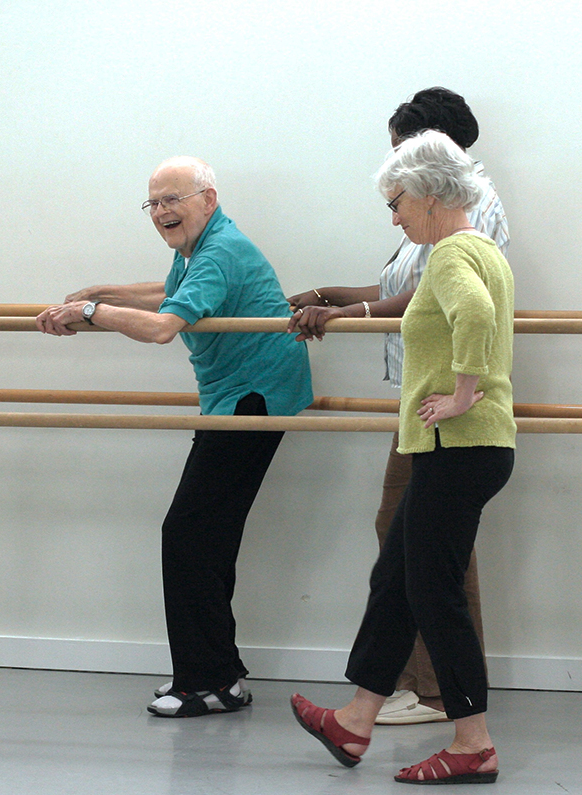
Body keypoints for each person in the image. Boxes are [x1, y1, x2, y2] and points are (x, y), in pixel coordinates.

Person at [37, 156, 312, 717]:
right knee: (204, 537)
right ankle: (220, 675)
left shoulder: (219, 251)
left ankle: (208, 681)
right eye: (153, 203)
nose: (161, 211)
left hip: (253, 397)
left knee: (188, 534)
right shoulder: (201, 252)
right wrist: (99, 292)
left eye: (172, 200)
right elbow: (164, 292)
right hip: (240, 396)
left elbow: (164, 327)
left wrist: (92, 311)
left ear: (208, 200)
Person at [291, 130, 515, 785]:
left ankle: (474, 741)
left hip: (460, 443)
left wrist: (462, 394)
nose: (394, 216)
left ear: (431, 193)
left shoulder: (449, 256)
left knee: (432, 589)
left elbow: (474, 317)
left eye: (398, 202)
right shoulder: (479, 249)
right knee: (396, 576)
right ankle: (357, 718)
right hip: (464, 447)